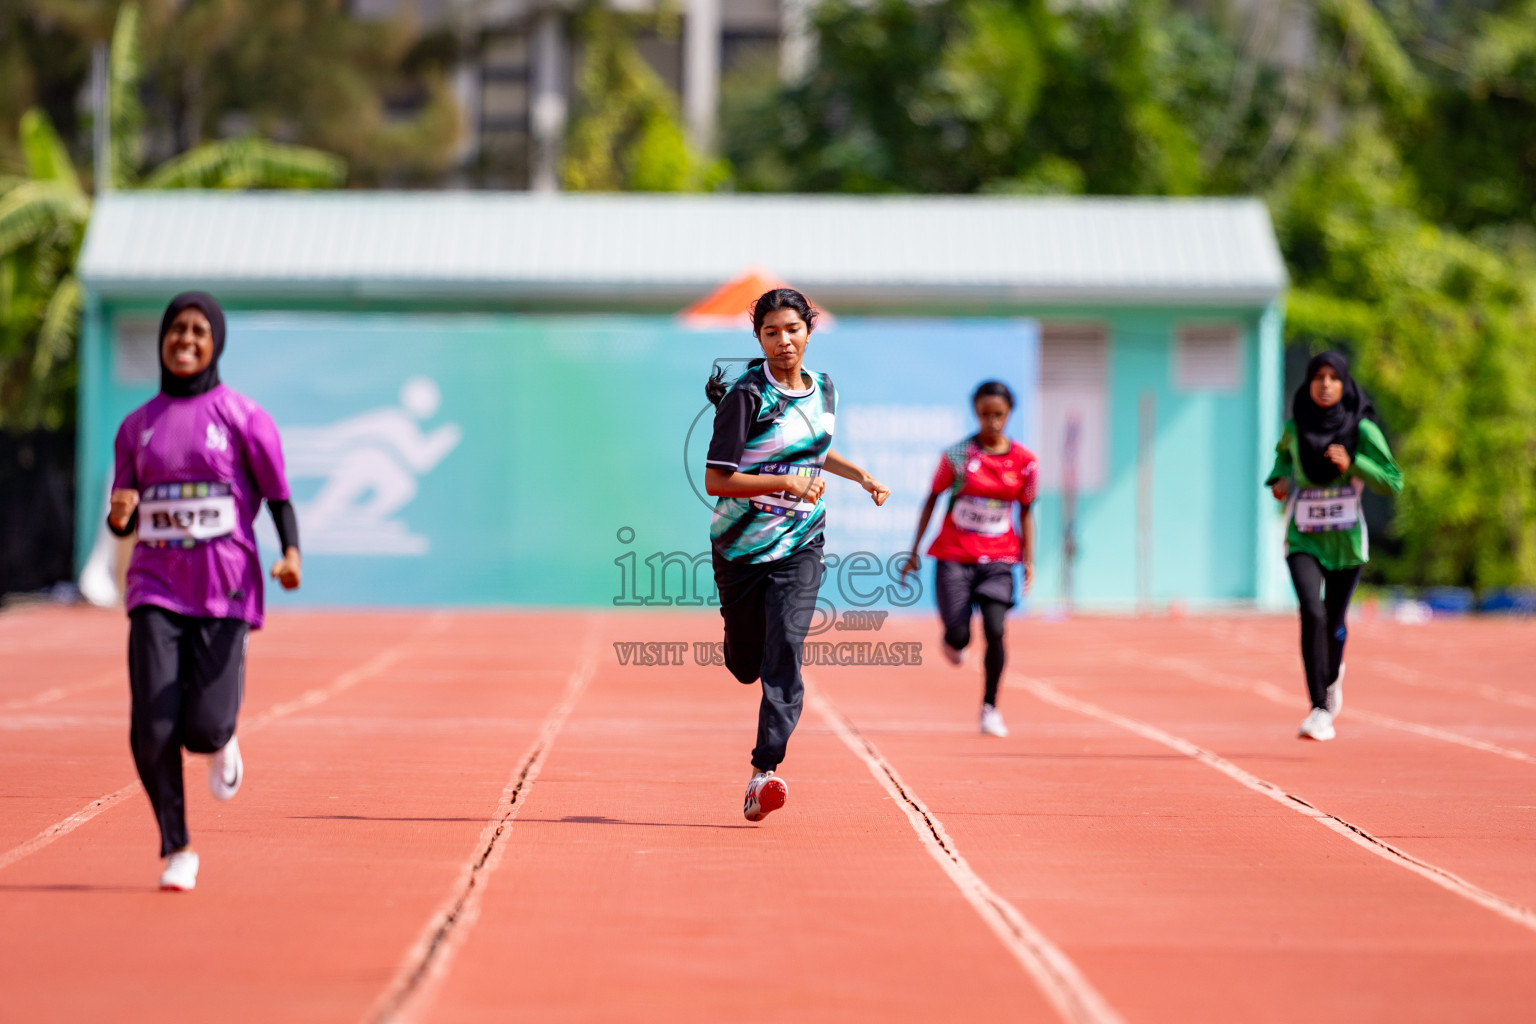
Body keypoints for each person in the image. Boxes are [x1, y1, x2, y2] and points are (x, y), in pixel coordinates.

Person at [107, 292, 302, 890]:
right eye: (175, 330)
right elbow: (123, 514)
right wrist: (120, 517)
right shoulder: (136, 428)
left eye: (198, 331)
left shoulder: (243, 417)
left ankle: (223, 740)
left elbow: (276, 495)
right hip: (155, 586)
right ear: (163, 340)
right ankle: (178, 848)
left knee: (203, 729)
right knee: (152, 727)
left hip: (224, 589)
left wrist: (290, 553)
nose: (185, 340)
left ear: (214, 342)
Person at [704, 288, 890, 822]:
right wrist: (784, 480)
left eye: (792, 330)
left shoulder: (825, 388)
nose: (783, 342)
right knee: (746, 665)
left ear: (810, 330)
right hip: (741, 548)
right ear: (758, 338)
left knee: (786, 644)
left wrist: (858, 475)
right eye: (771, 333)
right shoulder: (747, 397)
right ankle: (742, 646)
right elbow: (718, 478)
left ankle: (764, 771)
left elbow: (811, 446)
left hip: (801, 541)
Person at [1265, 351, 1402, 742]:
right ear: (1308, 384)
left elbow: (1393, 480)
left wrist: (1354, 463)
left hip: (1345, 541)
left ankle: (1332, 674)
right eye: (1318, 377)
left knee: (1333, 618)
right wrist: (1279, 482)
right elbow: (1281, 460)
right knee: (1312, 612)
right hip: (1303, 536)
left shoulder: (1362, 430)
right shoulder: (1295, 427)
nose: (1325, 385)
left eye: (1333, 378)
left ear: (1345, 385)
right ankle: (1319, 708)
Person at [900, 381, 1037, 737]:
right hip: (955, 557)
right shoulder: (957, 456)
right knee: (959, 637)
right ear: (976, 412)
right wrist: (914, 551)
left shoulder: (1024, 462)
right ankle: (952, 639)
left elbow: (1026, 512)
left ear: (1009, 415)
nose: (991, 422)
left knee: (996, 629)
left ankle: (990, 708)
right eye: (984, 414)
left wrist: (1030, 560)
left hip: (1000, 558)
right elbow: (931, 499)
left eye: (999, 415)